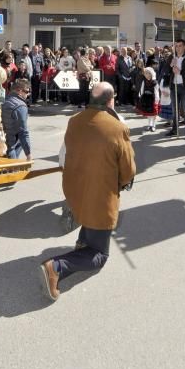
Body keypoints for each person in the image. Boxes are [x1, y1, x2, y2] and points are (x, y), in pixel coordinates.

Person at [39, 82, 136, 302]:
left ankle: (83, 244)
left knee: (89, 219)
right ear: (111, 100)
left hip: (75, 186)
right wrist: (122, 182)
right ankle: (56, 267)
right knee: (100, 256)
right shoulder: (117, 127)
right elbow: (128, 169)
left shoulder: (74, 121)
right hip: (100, 193)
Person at [166, 39, 185, 141]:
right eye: (176, 46)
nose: (178, 48)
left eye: (180, 46)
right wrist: (170, 65)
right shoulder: (172, 56)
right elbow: (166, 70)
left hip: (184, 87)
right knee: (175, 110)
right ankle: (175, 129)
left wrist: (180, 72)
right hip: (173, 86)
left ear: (184, 47)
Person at [1, 78, 32, 159]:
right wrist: (28, 154)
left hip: (0, 143)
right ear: (20, 91)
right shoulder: (21, 106)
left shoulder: (3, 100)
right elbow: (23, 132)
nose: (28, 94)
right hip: (11, 148)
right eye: (27, 92)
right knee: (12, 171)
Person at [136, 67, 160, 132]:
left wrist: (156, 100)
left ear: (151, 74)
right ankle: (149, 124)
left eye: (148, 73)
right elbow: (142, 89)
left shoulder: (154, 82)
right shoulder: (144, 81)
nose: (147, 75)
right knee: (148, 114)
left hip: (153, 99)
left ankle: (153, 125)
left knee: (154, 114)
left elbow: (156, 91)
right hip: (146, 99)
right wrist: (140, 96)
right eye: (146, 73)